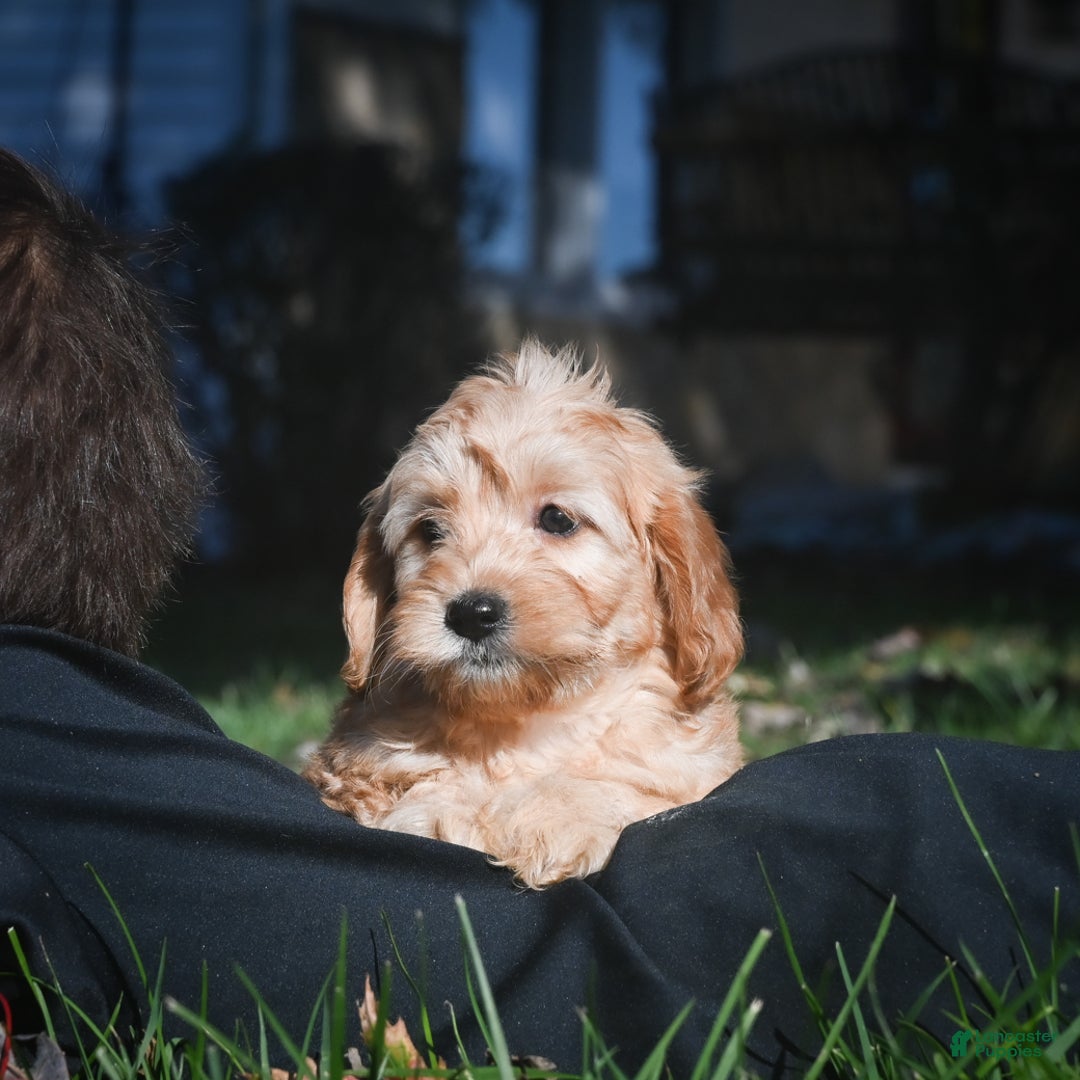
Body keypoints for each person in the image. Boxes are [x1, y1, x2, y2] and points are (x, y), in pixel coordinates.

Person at [1, 147, 1077, 1076]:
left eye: (558, 521)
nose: (473, 583)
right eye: (429, 532)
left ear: (674, 576)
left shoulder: (687, 771)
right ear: (370, 599)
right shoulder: (369, 780)